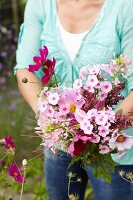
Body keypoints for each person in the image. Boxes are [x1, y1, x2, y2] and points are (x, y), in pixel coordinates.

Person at [14, 0, 133, 199]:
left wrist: (100, 131)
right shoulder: (40, 5)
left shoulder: (125, 7)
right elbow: (25, 68)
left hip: (113, 145)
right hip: (59, 141)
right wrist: (49, 120)